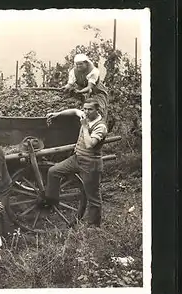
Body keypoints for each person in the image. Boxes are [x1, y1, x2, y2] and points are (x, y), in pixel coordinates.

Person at [44, 98, 108, 227]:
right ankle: (52, 200)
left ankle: (94, 226)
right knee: (53, 171)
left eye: (90, 109)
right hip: (77, 158)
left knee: (93, 197)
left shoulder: (101, 126)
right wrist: (57, 114)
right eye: (85, 109)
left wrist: (84, 127)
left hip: (91, 164)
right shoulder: (85, 115)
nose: (86, 112)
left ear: (97, 110)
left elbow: (90, 145)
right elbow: (74, 111)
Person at [62, 53, 108, 121]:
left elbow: (89, 87)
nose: (78, 66)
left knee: (98, 109)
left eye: (81, 64)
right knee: (83, 110)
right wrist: (65, 87)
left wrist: (80, 91)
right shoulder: (73, 72)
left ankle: (98, 125)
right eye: (77, 64)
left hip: (97, 92)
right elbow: (70, 84)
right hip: (83, 92)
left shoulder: (93, 71)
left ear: (86, 63)